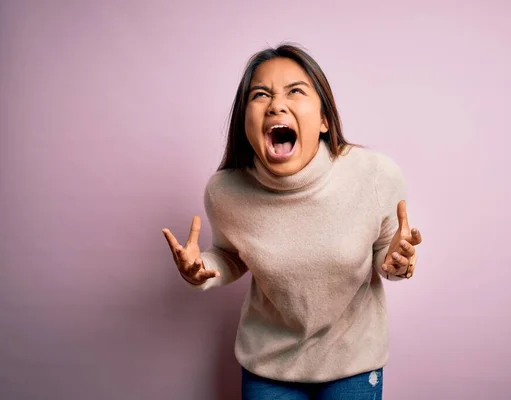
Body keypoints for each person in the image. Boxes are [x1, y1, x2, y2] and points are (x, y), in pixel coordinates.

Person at [162, 43, 423, 400]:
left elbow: (387, 258)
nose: (276, 104)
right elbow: (231, 255)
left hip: (353, 361)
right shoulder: (225, 191)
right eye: (261, 94)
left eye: (295, 91)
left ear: (324, 120)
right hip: (269, 366)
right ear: (245, 120)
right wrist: (201, 268)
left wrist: (397, 263)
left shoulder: (375, 175)